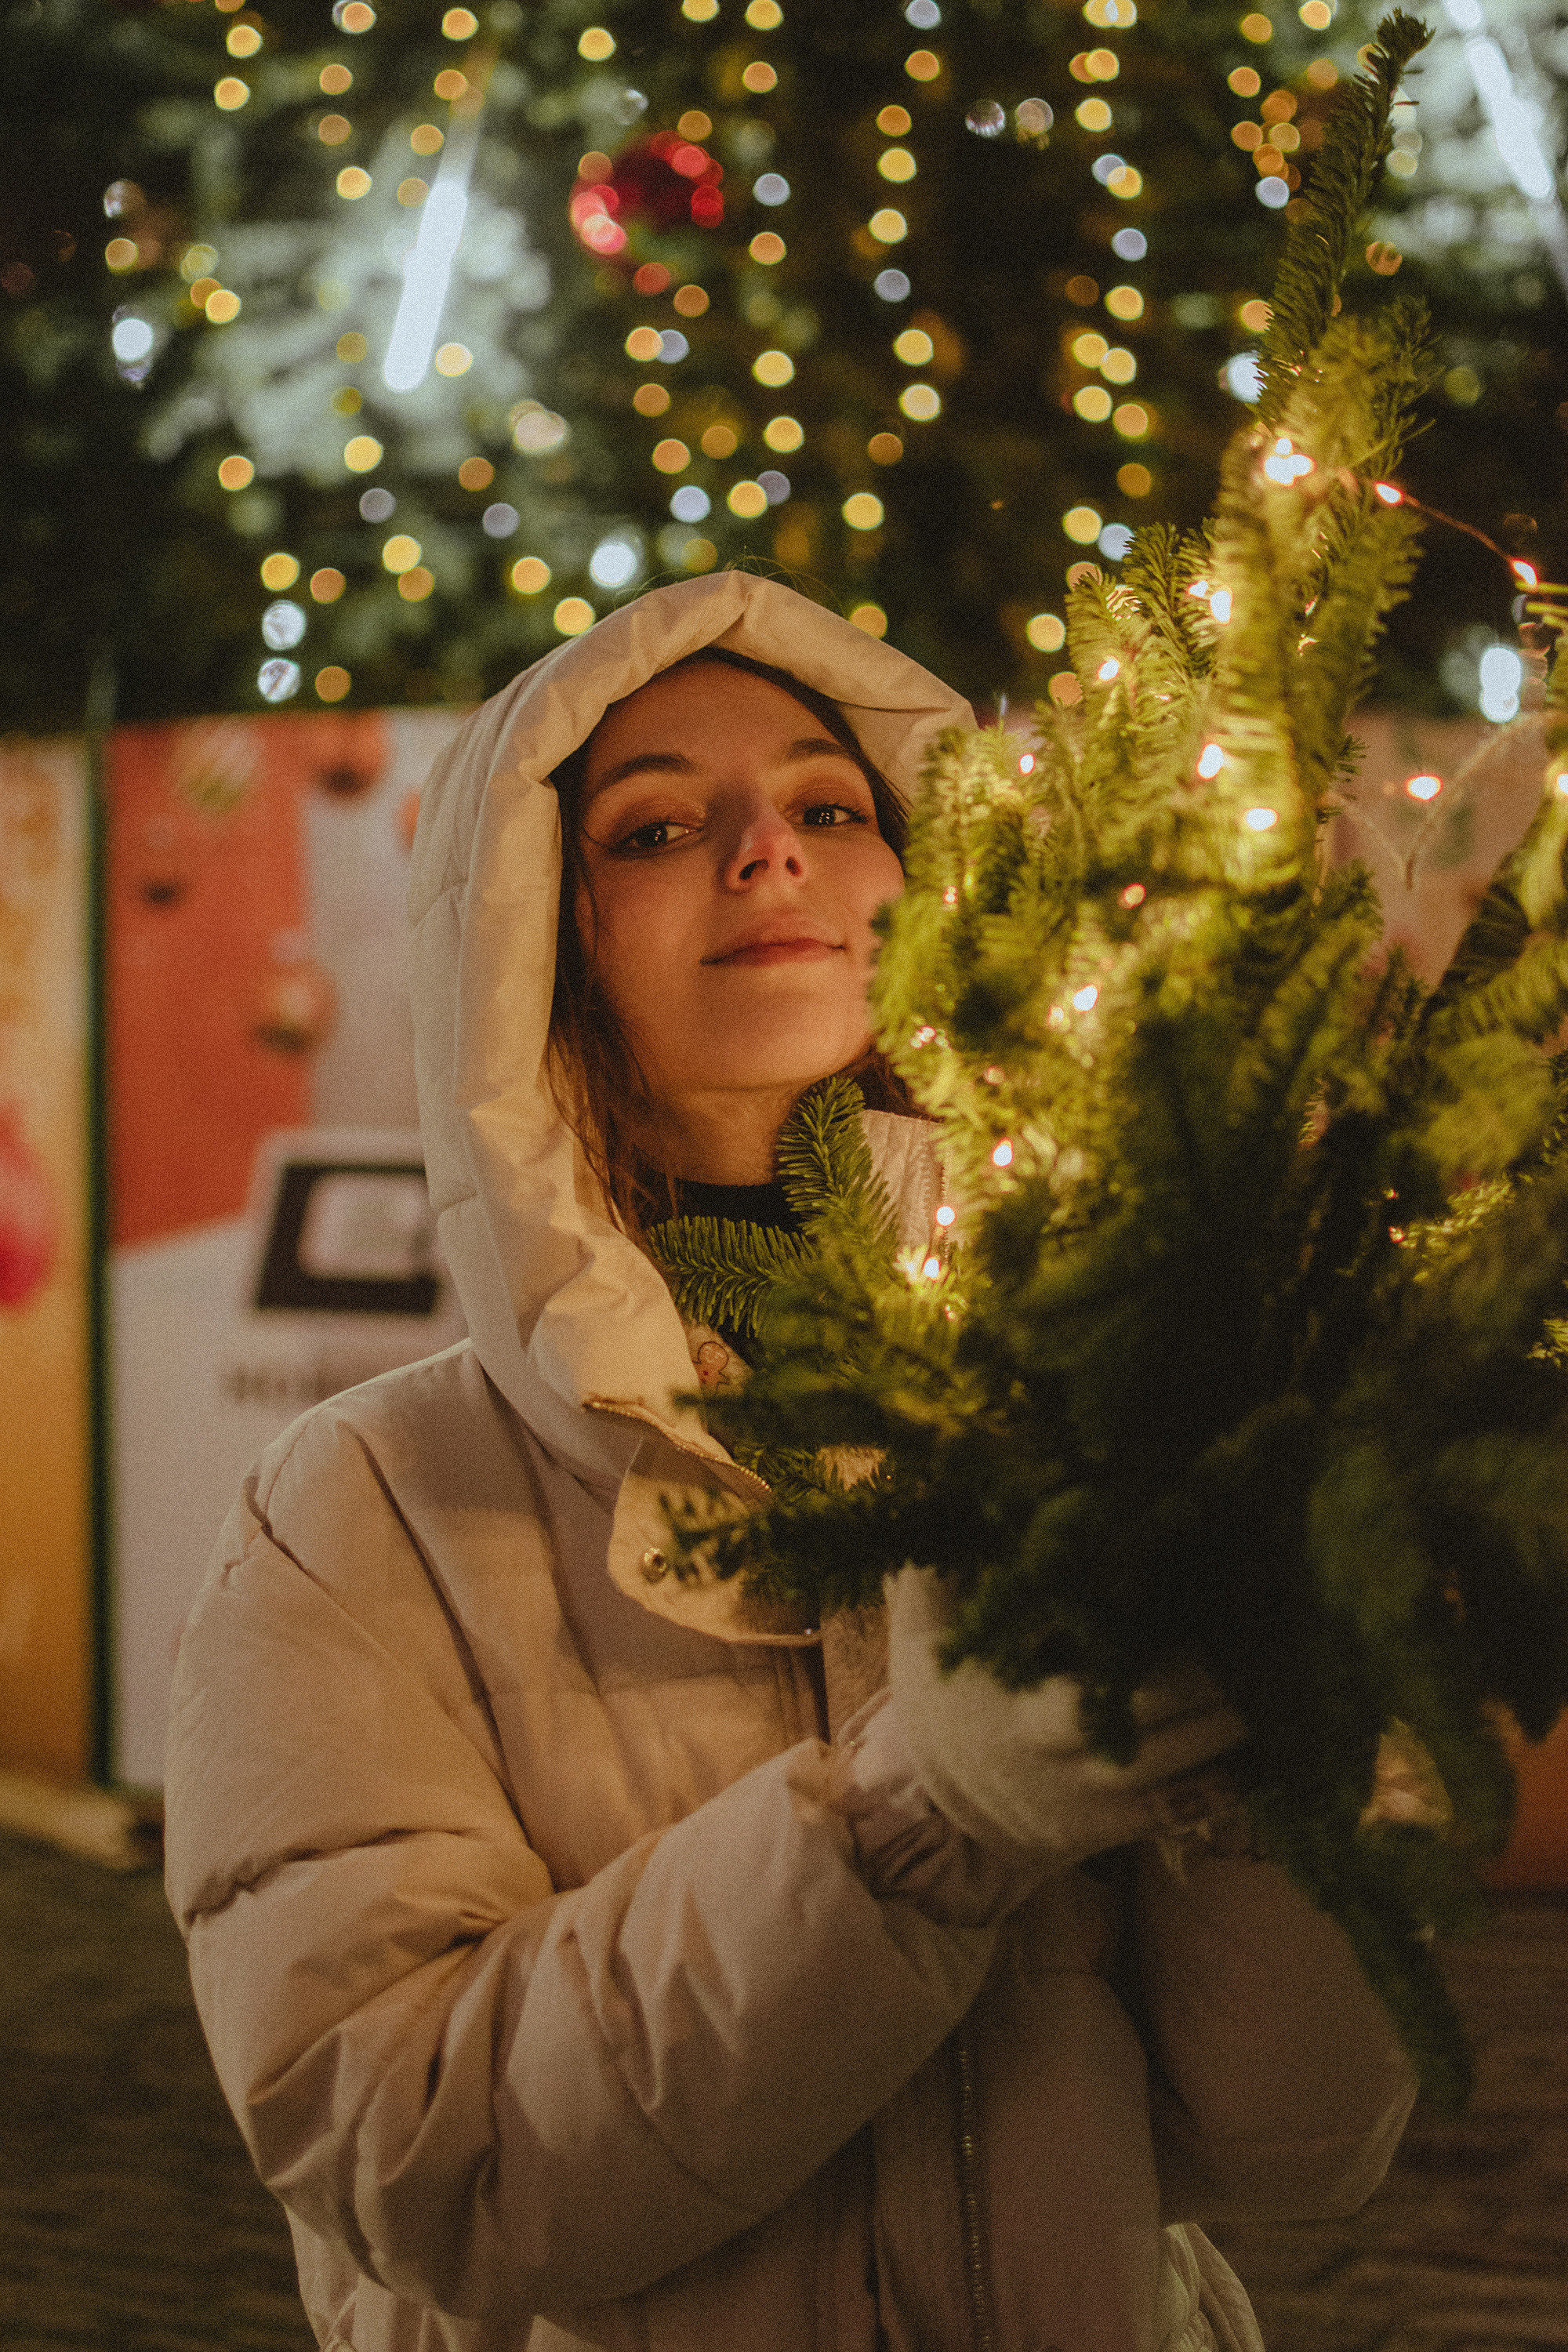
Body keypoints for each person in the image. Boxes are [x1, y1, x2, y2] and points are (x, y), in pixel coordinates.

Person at [165, 572, 1417, 2352]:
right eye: (662, 825)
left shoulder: (1095, 1421)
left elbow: (1290, 2146)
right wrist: (918, 1818)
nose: (771, 853)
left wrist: (1264, 1761)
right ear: (531, 935)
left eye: (834, 806)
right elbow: (420, 2154)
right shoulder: (360, 1512)